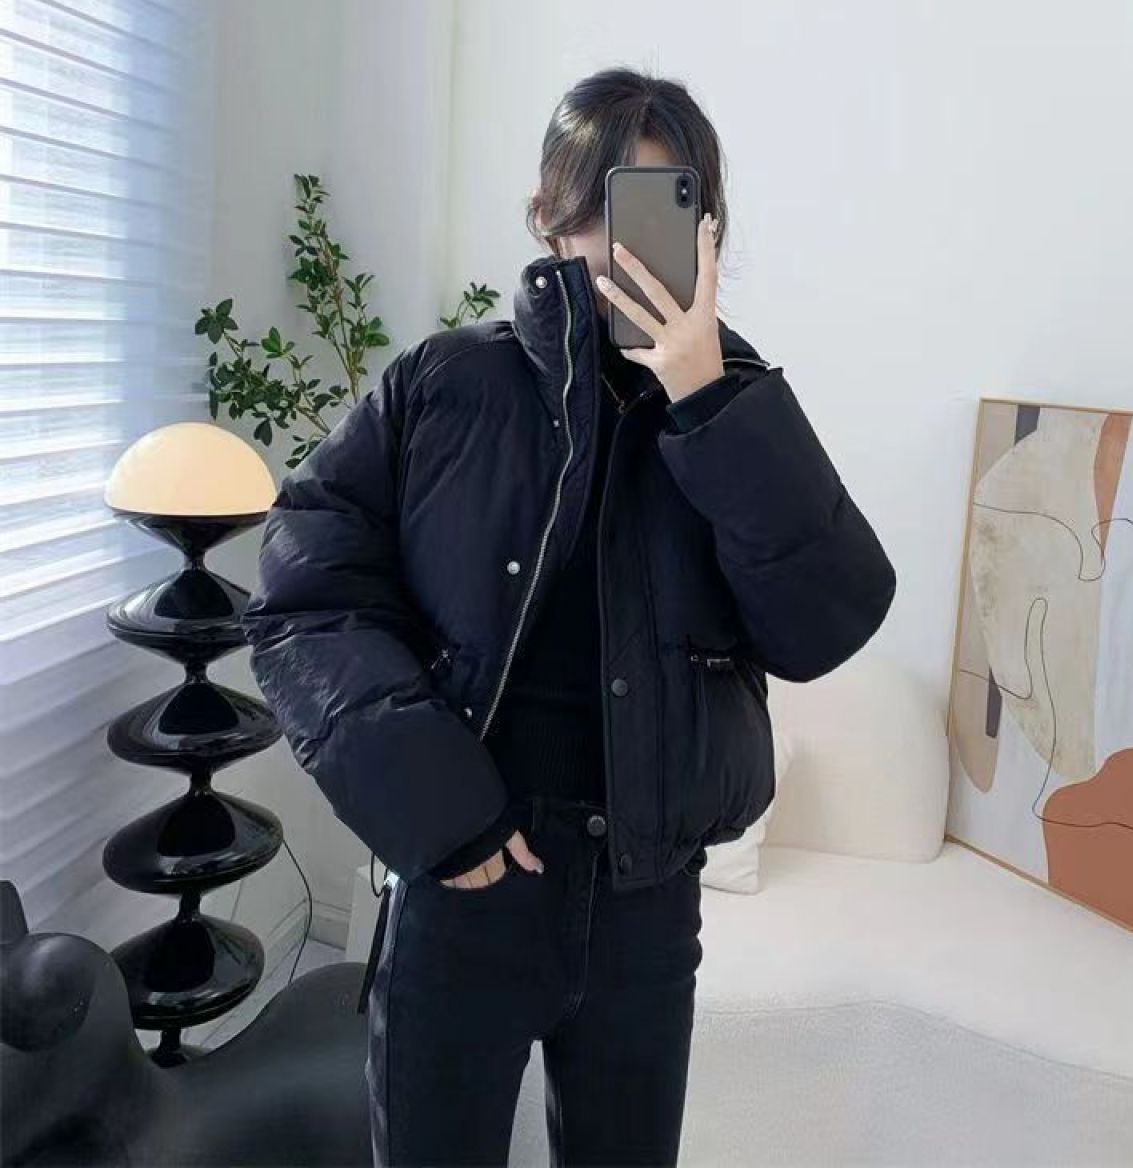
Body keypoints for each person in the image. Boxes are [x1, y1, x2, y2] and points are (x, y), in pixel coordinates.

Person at [241, 66, 896, 1168]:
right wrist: (433, 806)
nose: (625, 246)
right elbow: (306, 592)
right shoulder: (444, 384)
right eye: (603, 207)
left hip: (648, 899)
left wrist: (708, 398)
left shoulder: (736, 405)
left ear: (706, 230)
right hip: (467, 879)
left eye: (663, 207)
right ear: (548, 215)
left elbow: (826, 621)